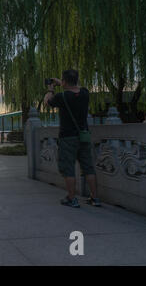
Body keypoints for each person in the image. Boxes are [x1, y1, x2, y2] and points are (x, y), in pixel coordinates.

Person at [44, 69, 101, 208]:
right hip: (84, 135)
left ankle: (71, 198)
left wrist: (51, 89)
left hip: (68, 137)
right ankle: (95, 198)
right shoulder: (85, 93)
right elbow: (76, 88)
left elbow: (47, 102)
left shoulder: (62, 97)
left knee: (67, 168)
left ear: (64, 82)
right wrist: (63, 82)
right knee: (88, 167)